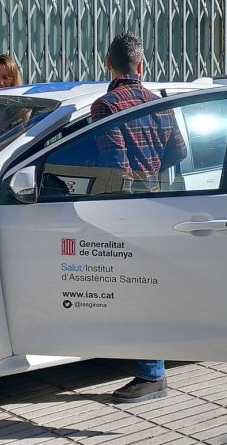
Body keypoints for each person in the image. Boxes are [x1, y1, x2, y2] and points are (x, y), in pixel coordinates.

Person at [91, 32, 186, 403]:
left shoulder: (106, 106)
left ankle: (152, 374)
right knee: (145, 288)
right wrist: (152, 175)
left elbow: (116, 167)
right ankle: (147, 368)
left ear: (108, 63)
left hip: (125, 209)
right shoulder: (160, 104)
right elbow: (178, 152)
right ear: (141, 66)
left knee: (138, 291)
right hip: (156, 204)